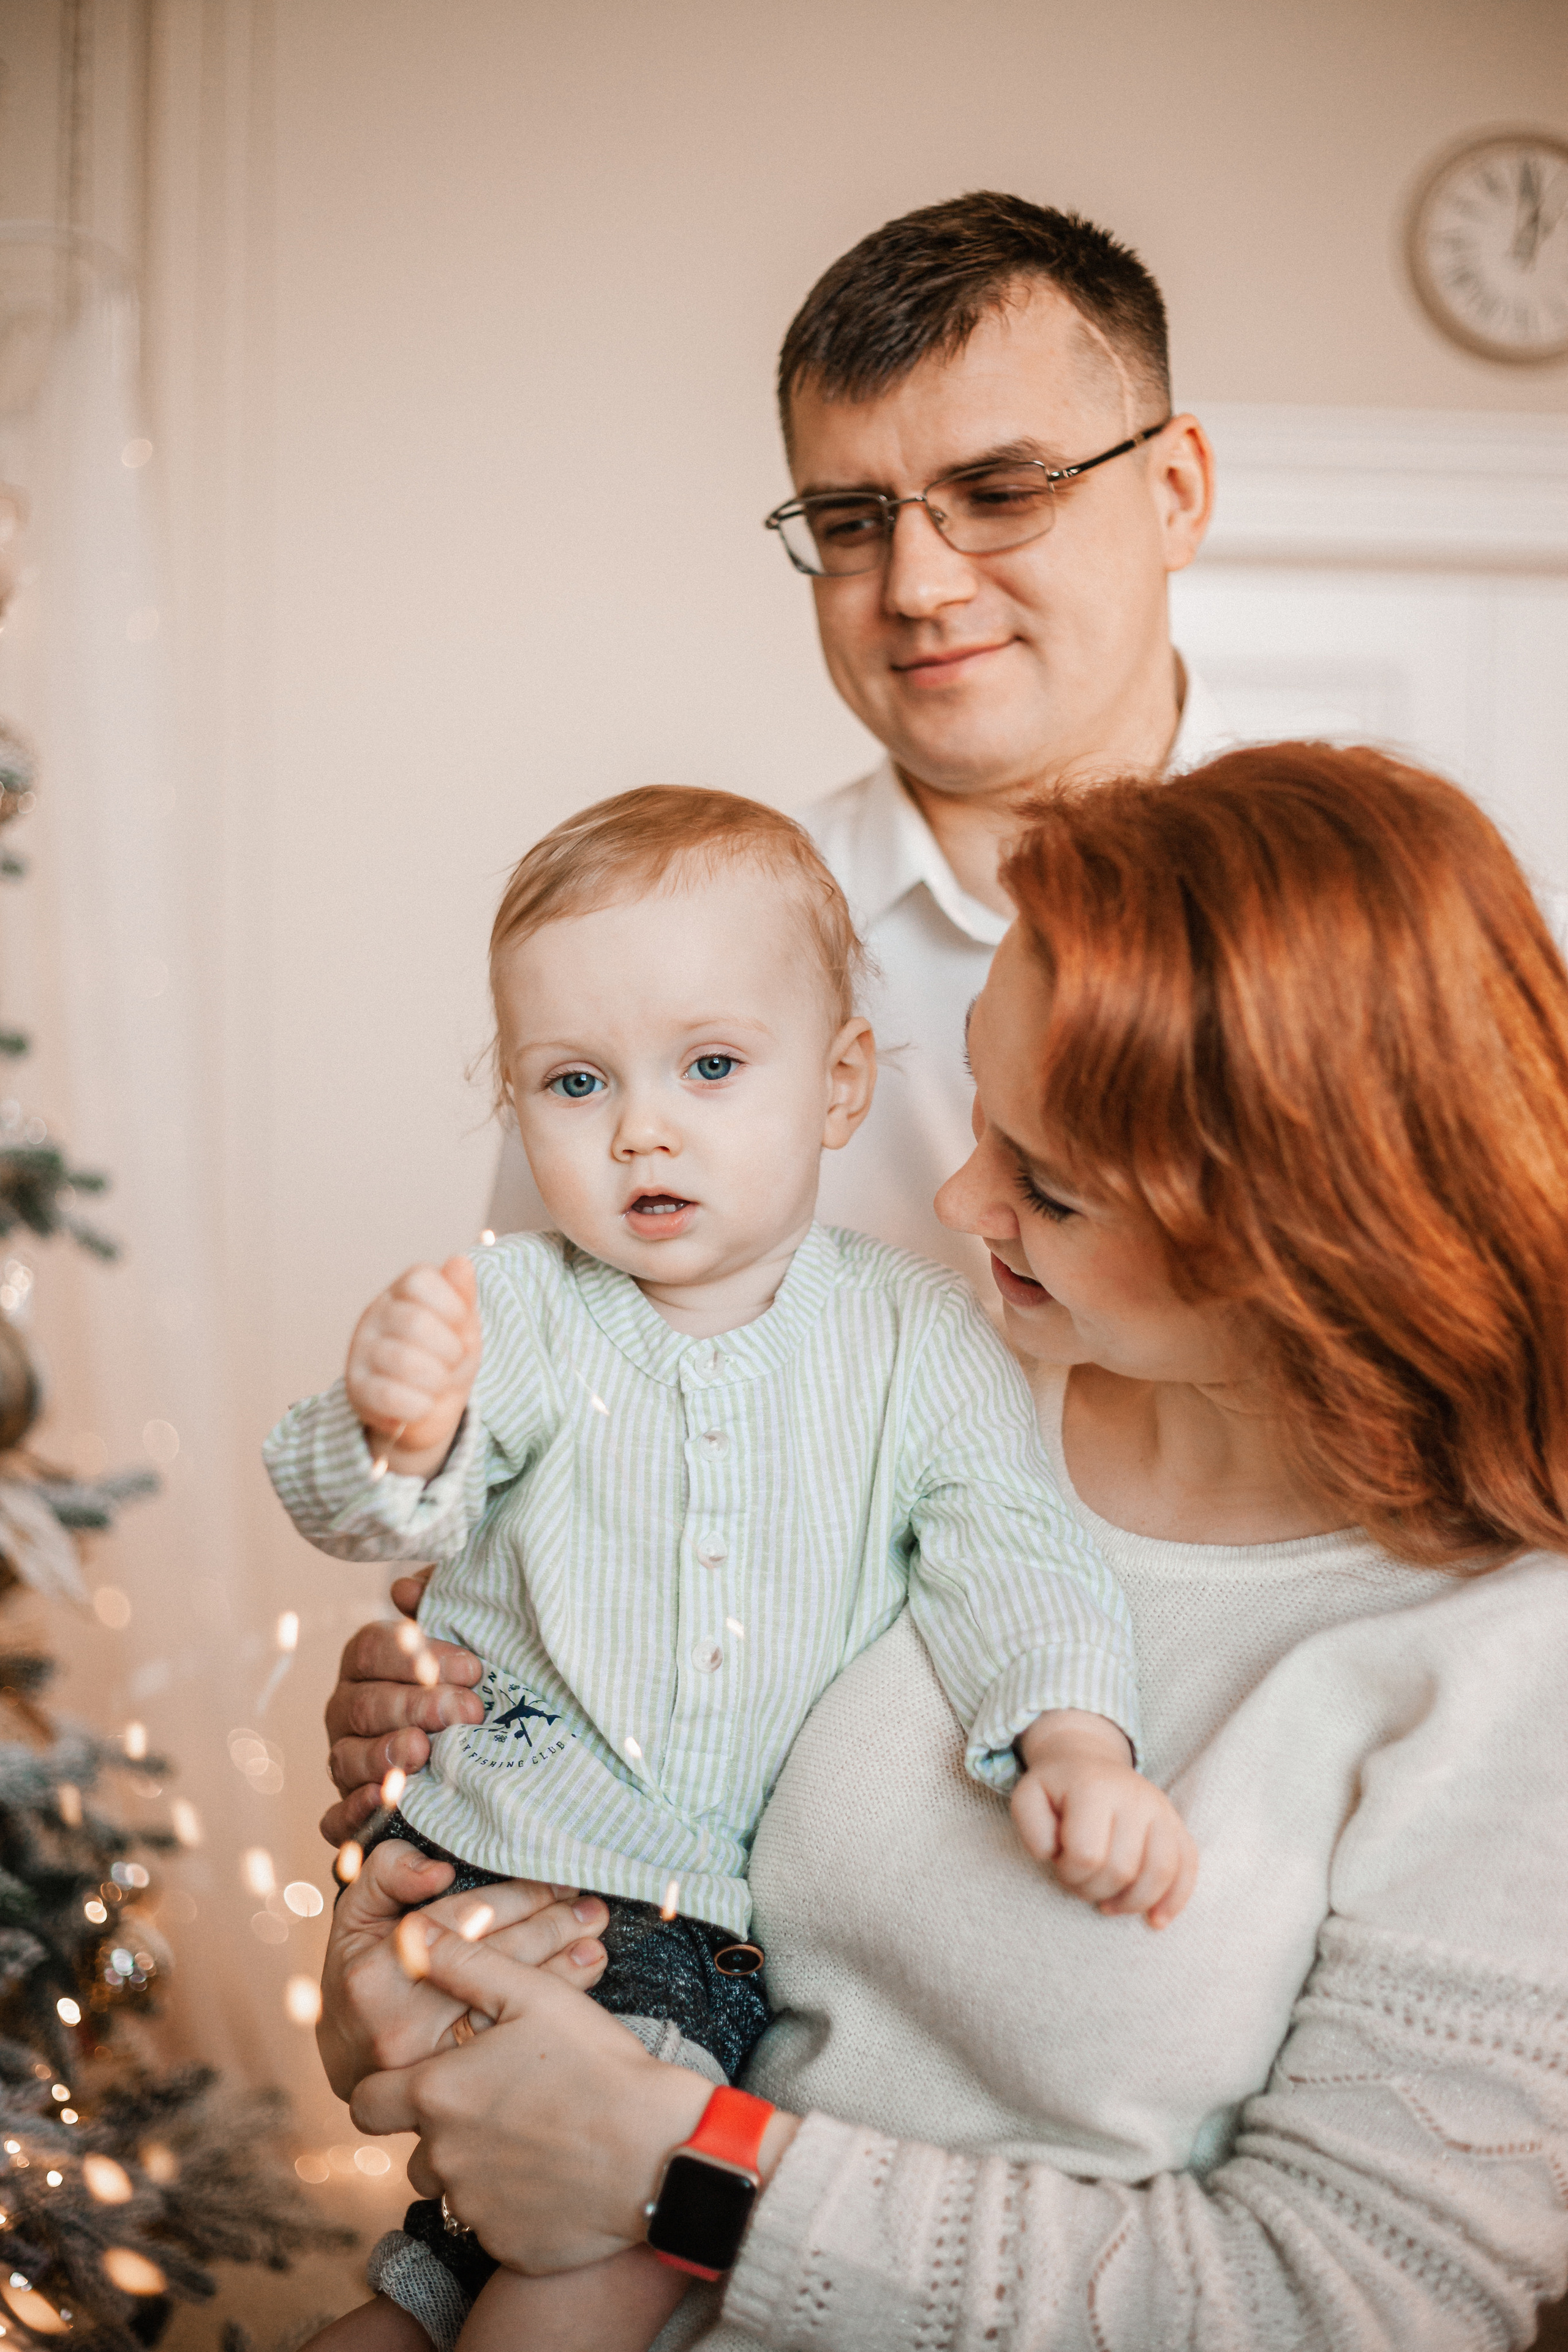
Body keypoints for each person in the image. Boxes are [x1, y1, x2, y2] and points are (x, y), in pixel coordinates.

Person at [320, 743, 1568, 2349]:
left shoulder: (1504, 1667)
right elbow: (602, 1731)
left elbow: (1353, 2298)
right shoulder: (935, 1394)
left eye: (1043, 1184)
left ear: (1299, 1238)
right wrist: (410, 1944)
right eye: (982, 1112)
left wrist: (694, 2177)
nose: (960, 1194)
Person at [320, 190, 1229, 1852]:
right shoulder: (682, 975)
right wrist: (439, 1733)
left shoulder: (1396, 941)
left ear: (1175, 489)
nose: (920, 581)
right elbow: (527, 1469)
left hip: (1216, 1805)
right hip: (722, 1882)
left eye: (999, 491)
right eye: (851, 516)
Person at [273, 786, 1194, 2352]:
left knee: (503, 2283)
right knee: (491, 2275)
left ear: (840, 1086)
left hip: (709, 1944)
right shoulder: (530, 1315)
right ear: (514, 1105)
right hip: (491, 1866)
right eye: (575, 1082)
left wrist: (1071, 1737)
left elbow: (1012, 1550)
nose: (644, 1126)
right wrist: (393, 1424)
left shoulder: (918, 1339)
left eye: (709, 1068)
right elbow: (375, 1529)